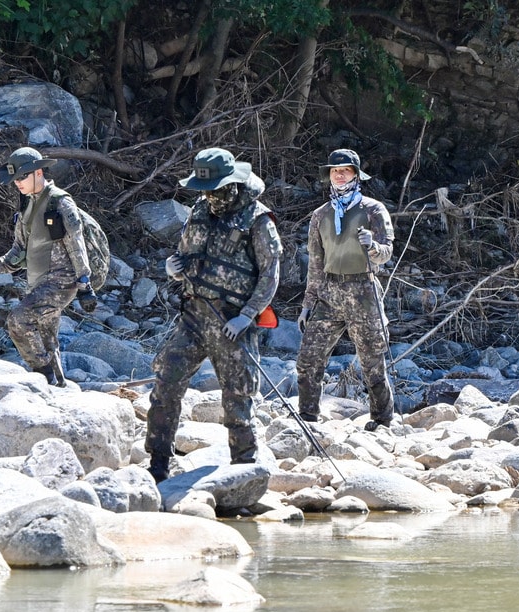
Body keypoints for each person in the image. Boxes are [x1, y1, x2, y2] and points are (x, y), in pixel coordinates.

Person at [145, 148, 281, 483]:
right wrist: (173, 268)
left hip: (233, 321)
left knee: (238, 394)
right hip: (193, 314)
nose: (210, 195)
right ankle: (158, 462)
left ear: (233, 183)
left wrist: (247, 316)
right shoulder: (200, 209)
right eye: (205, 189)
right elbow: (186, 252)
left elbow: (271, 274)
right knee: (166, 383)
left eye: (216, 189)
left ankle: (245, 468)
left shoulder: (258, 220)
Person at [295, 149, 396, 432]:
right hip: (327, 292)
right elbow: (315, 263)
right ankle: (308, 418)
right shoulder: (320, 215)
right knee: (308, 360)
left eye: (346, 170)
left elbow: (386, 253)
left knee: (372, 362)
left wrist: (373, 246)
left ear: (356, 174)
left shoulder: (374, 209)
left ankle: (383, 420)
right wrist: (307, 304)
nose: (339, 175)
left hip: (363, 291)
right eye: (334, 171)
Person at [0, 147, 97, 386]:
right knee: (47, 340)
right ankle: (58, 387)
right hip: (37, 282)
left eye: (22, 177)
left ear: (37, 172)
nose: (18, 183)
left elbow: (77, 244)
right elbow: (19, 250)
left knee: (18, 320)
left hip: (61, 281)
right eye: (15, 180)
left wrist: (84, 284)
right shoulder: (26, 205)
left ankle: (43, 375)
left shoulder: (60, 202)